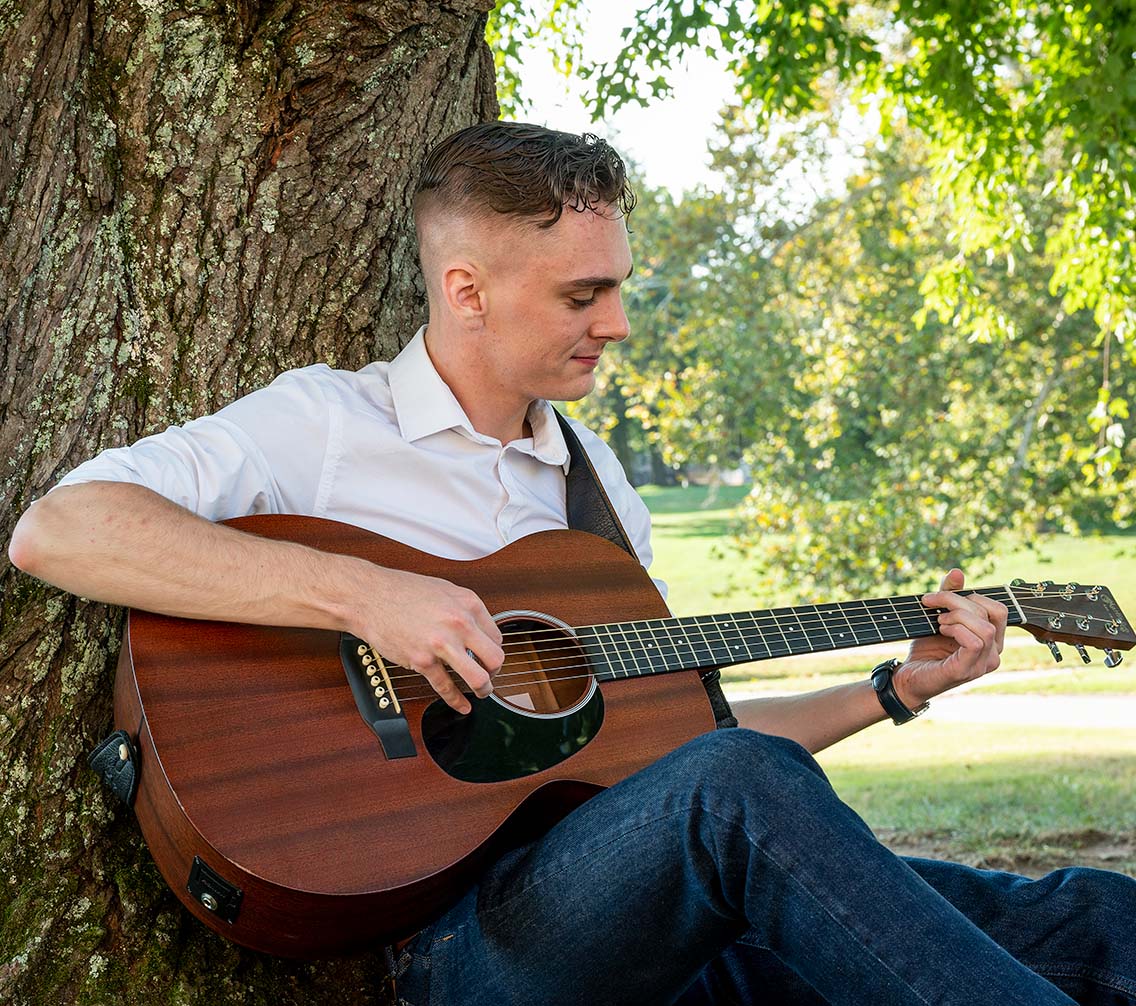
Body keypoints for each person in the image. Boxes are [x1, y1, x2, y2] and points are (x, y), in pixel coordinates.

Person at [9, 121, 1135, 1006]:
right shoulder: (324, 424)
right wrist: (367, 593)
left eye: (617, 286)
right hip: (459, 948)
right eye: (581, 294)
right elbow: (61, 528)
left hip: (655, 927)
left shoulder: (595, 498)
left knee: (1095, 921)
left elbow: (685, 767)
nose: (618, 324)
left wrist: (894, 687)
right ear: (466, 291)